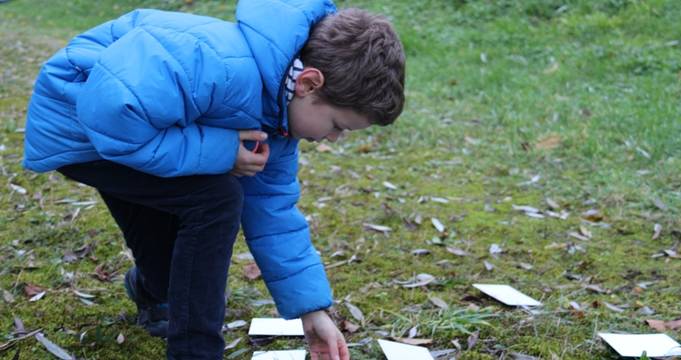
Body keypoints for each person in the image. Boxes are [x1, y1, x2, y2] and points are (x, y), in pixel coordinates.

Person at [22, 0, 405, 358]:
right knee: (217, 198)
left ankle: (155, 290)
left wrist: (312, 310)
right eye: (338, 126)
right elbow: (111, 112)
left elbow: (273, 213)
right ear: (308, 84)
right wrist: (221, 152)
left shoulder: (281, 122)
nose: (334, 139)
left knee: (178, 268)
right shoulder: (219, 62)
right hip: (83, 127)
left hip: (145, 138)